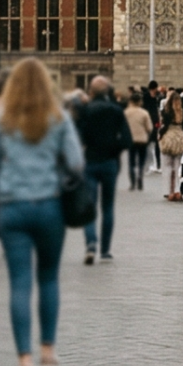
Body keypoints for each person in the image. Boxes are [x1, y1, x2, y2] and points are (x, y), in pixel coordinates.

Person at [0, 57, 84, 366]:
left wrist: (1, 191)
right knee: (49, 279)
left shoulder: (2, 118)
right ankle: (48, 353)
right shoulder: (58, 118)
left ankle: (24, 362)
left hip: (12, 207)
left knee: (20, 284)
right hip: (49, 206)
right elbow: (76, 164)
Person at [72, 76, 129, 264]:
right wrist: (114, 149)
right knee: (108, 207)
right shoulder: (116, 110)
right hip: (109, 163)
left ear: (91, 92)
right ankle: (105, 250)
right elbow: (127, 139)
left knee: (90, 205)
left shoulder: (85, 110)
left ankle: (90, 244)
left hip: (90, 162)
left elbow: (77, 136)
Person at [124, 91, 153, 190]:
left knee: (131, 161)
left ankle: (132, 182)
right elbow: (149, 128)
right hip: (142, 140)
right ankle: (140, 177)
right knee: (141, 160)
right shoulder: (144, 113)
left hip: (130, 139)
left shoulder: (126, 112)